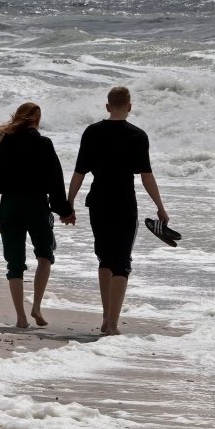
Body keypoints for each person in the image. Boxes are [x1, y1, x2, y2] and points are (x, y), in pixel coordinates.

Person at [67, 86, 168, 336]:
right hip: (124, 202)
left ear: (107, 106)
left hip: (98, 201)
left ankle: (105, 317)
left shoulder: (92, 132)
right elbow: (146, 176)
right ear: (130, 106)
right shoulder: (137, 135)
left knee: (105, 258)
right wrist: (160, 207)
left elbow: (79, 172)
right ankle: (113, 323)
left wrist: (68, 203)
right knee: (122, 261)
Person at [0, 102, 74, 329]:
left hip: (10, 204)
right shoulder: (43, 143)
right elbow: (55, 180)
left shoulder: (6, 143)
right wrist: (65, 210)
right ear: (37, 120)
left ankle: (20, 317)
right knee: (44, 254)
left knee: (14, 262)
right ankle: (37, 306)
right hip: (37, 205)